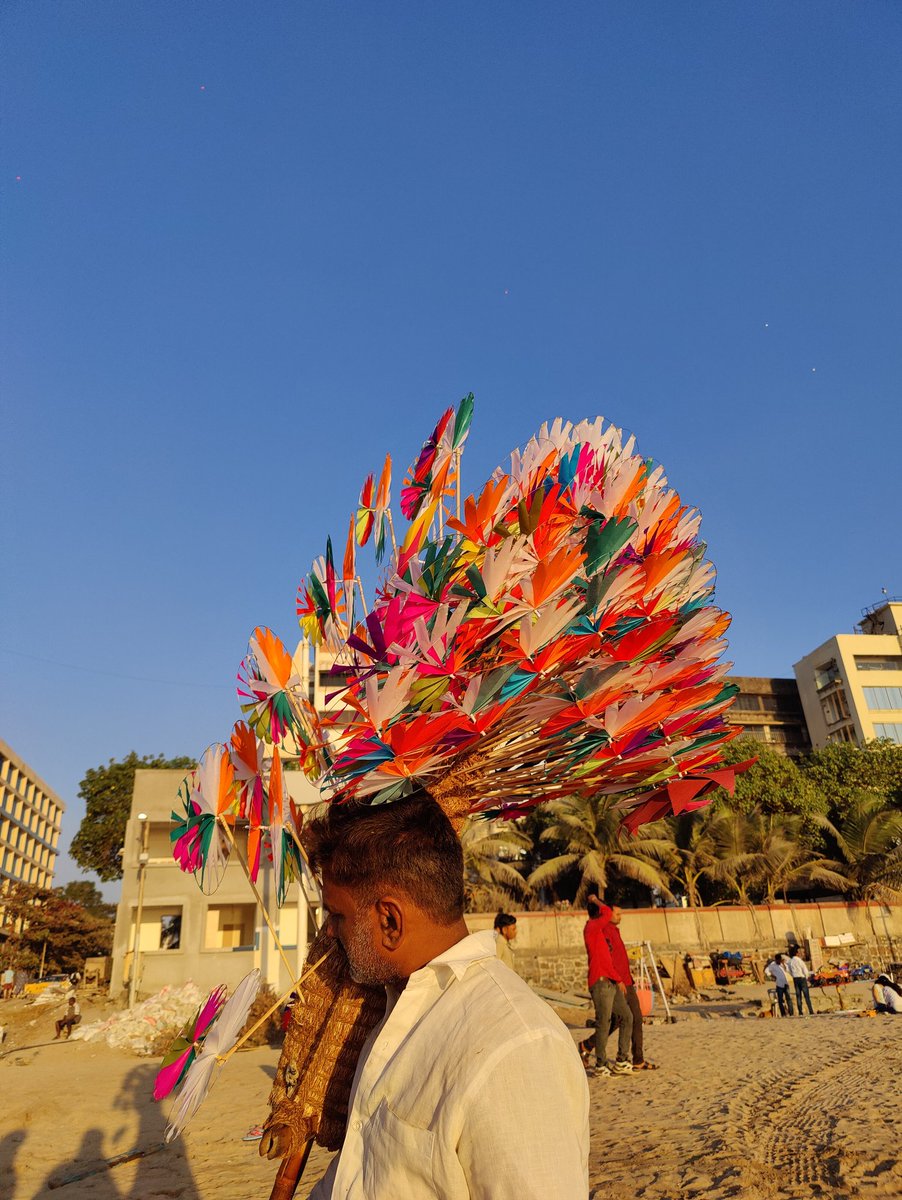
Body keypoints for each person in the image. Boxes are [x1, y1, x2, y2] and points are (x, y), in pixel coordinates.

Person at [295, 794, 589, 1199]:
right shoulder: (393, 1013)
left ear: (390, 921)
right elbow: (359, 1173)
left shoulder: (515, 1045)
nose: (330, 931)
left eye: (337, 915)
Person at [580, 896, 632, 1077]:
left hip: (611, 981)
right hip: (600, 983)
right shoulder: (591, 927)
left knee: (627, 1017)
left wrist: (618, 979)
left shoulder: (600, 931)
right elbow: (608, 912)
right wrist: (596, 900)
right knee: (604, 1024)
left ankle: (622, 1060)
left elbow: (607, 961)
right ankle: (600, 1064)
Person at [602, 904, 656, 1069]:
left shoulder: (615, 931)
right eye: (617, 914)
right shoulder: (604, 932)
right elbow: (607, 960)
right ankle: (590, 1046)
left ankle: (638, 1059)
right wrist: (617, 980)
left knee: (634, 1019)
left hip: (627, 981)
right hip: (617, 983)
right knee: (621, 1020)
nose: (620, 917)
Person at [786, 949, 814, 1016]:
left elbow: (788, 970)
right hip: (802, 978)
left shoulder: (790, 961)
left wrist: (793, 975)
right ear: (797, 953)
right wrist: (807, 978)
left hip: (795, 979)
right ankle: (811, 1010)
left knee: (798, 996)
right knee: (806, 996)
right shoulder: (800, 961)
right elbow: (805, 971)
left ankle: (800, 1012)